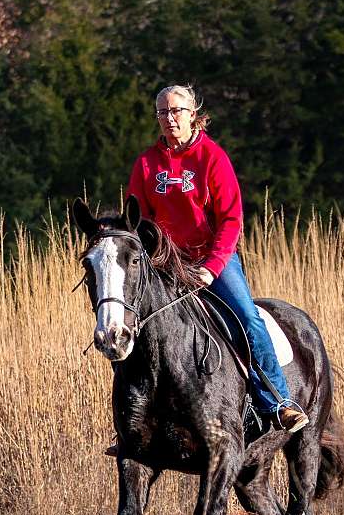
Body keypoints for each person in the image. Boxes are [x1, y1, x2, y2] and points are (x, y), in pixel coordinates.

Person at [126, 83, 309, 433]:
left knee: (246, 319)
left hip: (212, 263)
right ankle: (134, 424)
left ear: (193, 115)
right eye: (162, 112)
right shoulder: (147, 163)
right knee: (134, 325)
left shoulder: (212, 157)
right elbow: (138, 221)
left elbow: (230, 220)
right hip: (164, 264)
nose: (169, 118)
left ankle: (278, 402)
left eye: (176, 111)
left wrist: (211, 268)